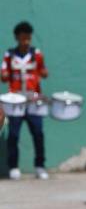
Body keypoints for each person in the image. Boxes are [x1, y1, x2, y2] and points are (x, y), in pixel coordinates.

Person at [1, 21, 49, 180]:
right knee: (13, 134)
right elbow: (3, 75)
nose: (26, 41)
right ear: (17, 38)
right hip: (16, 101)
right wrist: (5, 76)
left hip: (33, 100)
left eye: (28, 38)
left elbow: (44, 71)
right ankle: (14, 167)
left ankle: (40, 166)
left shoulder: (37, 54)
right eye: (23, 38)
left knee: (38, 133)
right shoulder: (9, 55)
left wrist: (43, 72)